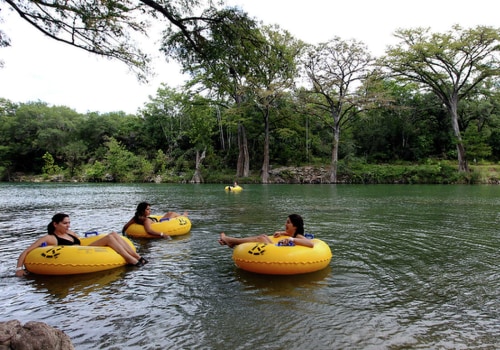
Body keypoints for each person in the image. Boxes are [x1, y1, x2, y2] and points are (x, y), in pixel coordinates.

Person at [15, 213, 147, 276]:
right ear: (55, 224)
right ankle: (131, 259)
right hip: (74, 254)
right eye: (65, 223)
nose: (68, 225)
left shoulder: (70, 233)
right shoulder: (50, 238)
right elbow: (26, 252)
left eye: (69, 223)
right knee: (109, 239)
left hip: (83, 250)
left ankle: (136, 256)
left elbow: (82, 241)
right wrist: (19, 269)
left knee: (113, 234)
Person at [218, 214, 314, 248]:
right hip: (277, 250)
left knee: (261, 238)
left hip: (278, 254)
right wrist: (281, 233)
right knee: (263, 236)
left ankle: (231, 240)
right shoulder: (293, 234)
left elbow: (310, 244)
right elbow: (288, 234)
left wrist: (291, 240)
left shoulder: (298, 237)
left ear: (295, 226)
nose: (285, 224)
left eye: (288, 222)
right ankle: (232, 242)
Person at [121, 202, 188, 238]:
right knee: (172, 213)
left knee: (169, 213)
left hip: (158, 222)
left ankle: (183, 215)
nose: (150, 211)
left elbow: (125, 227)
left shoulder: (135, 218)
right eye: (147, 209)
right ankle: (183, 216)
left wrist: (123, 235)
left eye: (149, 209)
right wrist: (162, 234)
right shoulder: (146, 220)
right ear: (142, 211)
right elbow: (149, 231)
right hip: (161, 223)